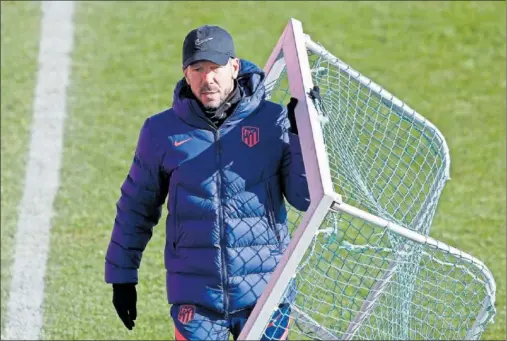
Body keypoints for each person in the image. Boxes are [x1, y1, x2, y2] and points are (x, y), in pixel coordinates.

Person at [104, 24, 310, 340]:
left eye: (215, 68)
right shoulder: (160, 132)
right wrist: (122, 275)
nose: (207, 79)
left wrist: (302, 137)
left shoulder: (273, 121)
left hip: (266, 291)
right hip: (195, 298)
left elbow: (304, 198)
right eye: (197, 69)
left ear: (235, 67)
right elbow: (136, 206)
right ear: (185, 74)